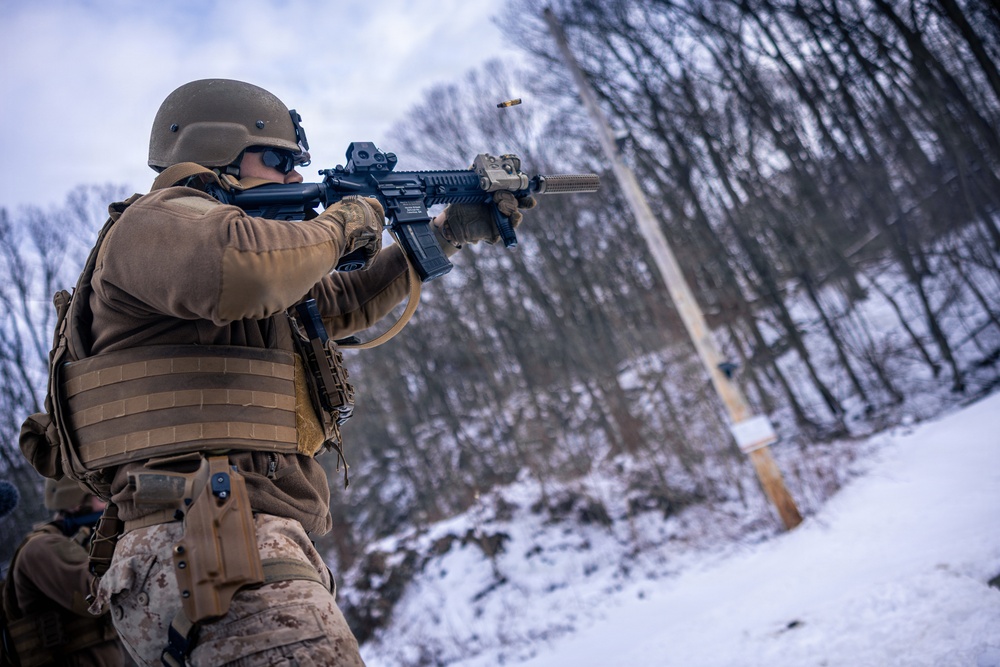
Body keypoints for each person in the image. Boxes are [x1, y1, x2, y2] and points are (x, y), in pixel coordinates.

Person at [43, 78, 536, 666]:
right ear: (217, 149)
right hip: (210, 541)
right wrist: (343, 223)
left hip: (225, 541)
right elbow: (244, 267)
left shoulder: (238, 260)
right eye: (279, 161)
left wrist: (446, 231)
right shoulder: (156, 223)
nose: (296, 176)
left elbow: (344, 301)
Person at [2, 477, 127, 666]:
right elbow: (97, 598)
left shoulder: (78, 542)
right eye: (100, 496)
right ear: (75, 504)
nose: (111, 501)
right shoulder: (41, 548)